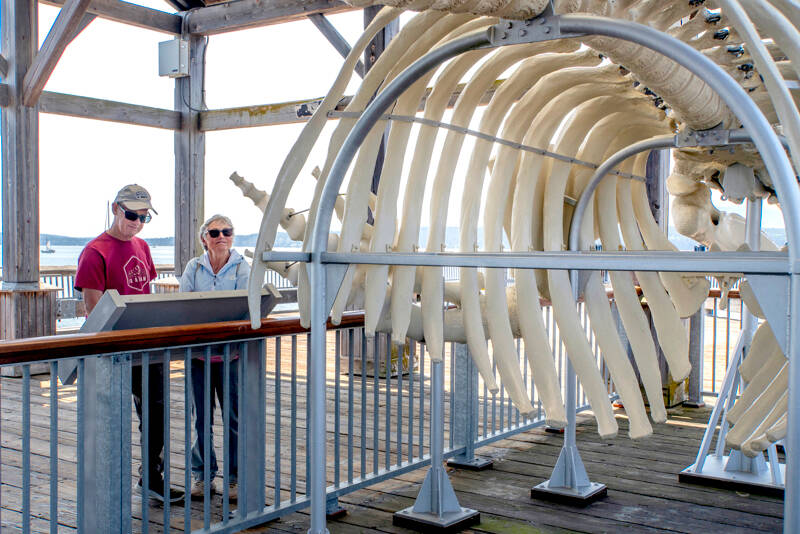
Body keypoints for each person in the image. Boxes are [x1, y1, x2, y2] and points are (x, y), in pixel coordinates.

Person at [74, 184, 184, 504]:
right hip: (113, 351)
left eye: (144, 217)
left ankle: (151, 478)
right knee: (112, 421)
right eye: (132, 215)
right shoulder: (95, 252)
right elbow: (92, 310)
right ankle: (107, 490)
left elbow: (144, 295)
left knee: (156, 415)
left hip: (146, 347)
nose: (137, 222)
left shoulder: (143, 247)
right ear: (115, 209)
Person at [179, 214, 248, 500]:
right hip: (198, 357)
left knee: (233, 418)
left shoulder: (243, 266)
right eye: (214, 232)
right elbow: (183, 305)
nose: (221, 236)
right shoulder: (193, 267)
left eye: (227, 231)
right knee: (200, 420)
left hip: (230, 356)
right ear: (204, 238)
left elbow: (244, 306)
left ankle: (234, 478)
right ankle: (202, 476)